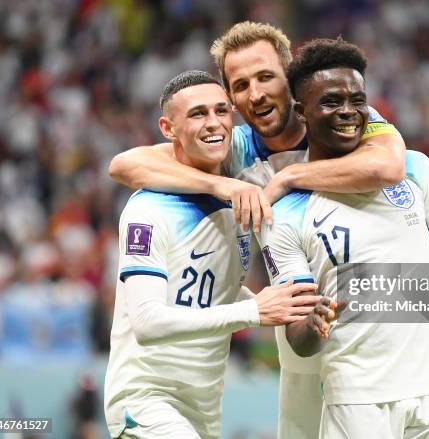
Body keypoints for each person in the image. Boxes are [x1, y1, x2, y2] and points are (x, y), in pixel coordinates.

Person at [108, 21, 407, 439]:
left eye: (266, 77)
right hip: (300, 325)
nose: (256, 93)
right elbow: (125, 165)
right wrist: (220, 183)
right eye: (241, 85)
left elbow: (388, 167)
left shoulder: (344, 116)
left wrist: (287, 180)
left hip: (378, 332)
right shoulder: (233, 148)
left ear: (291, 79)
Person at [259, 38, 429, 438]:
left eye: (357, 99)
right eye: (331, 101)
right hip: (357, 400)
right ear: (302, 112)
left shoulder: (414, 169)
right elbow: (300, 340)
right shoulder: (284, 211)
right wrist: (311, 324)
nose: (348, 111)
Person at [103, 70, 321, 439]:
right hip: (146, 402)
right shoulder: (149, 210)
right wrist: (254, 311)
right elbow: (147, 322)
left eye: (221, 110)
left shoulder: (235, 205)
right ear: (168, 128)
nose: (213, 122)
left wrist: (283, 307)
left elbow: (215, 291)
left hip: (203, 407)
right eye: (197, 113)